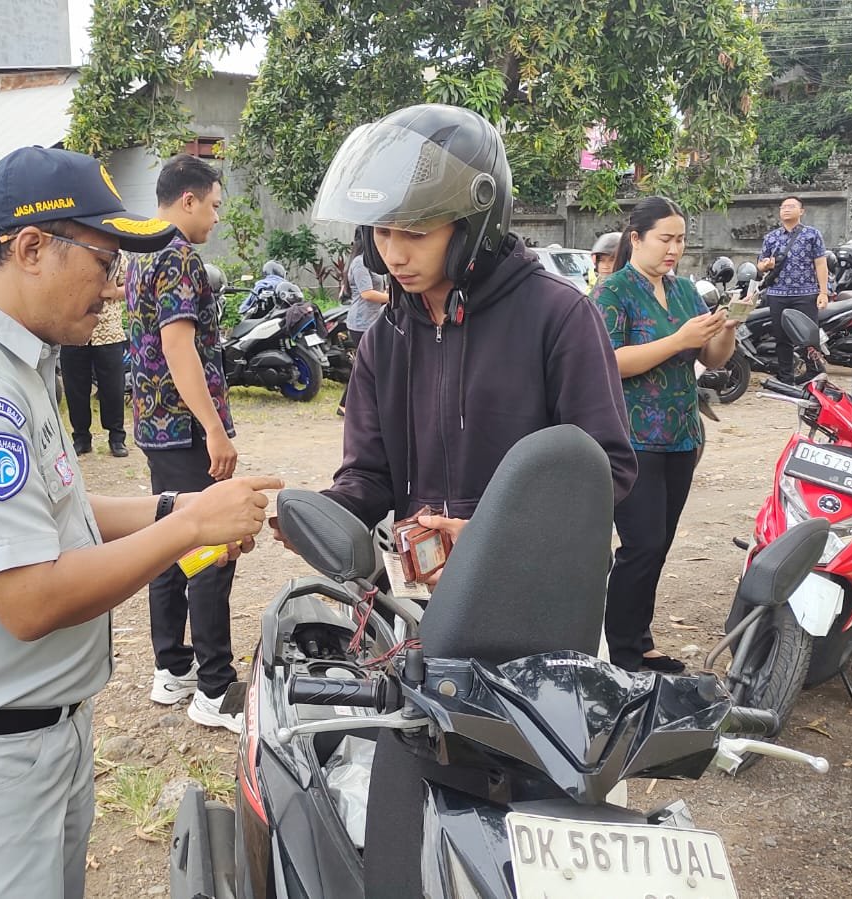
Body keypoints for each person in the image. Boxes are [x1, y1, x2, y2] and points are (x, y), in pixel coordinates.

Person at [0, 145, 278, 899]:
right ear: (30, 247)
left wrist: (172, 507)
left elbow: (60, 510)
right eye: (104, 262)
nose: (114, 289)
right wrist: (185, 530)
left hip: (27, 739)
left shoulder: (9, 360)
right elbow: (30, 597)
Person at [301, 102, 634, 899]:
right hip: (430, 604)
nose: (393, 253)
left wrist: (488, 527)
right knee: (441, 786)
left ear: (475, 222)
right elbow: (369, 475)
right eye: (381, 234)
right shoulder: (387, 337)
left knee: (563, 794)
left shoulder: (561, 317)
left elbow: (607, 467)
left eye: (414, 233)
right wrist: (316, 512)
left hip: (543, 600)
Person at [125, 154, 243, 732]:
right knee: (209, 547)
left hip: (154, 425)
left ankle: (172, 669)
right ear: (189, 199)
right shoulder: (177, 256)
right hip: (187, 429)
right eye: (215, 205)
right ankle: (216, 688)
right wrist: (214, 427)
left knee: (168, 541)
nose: (217, 218)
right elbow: (178, 347)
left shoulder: (139, 254)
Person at [594, 198, 735, 675]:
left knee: (661, 542)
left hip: (680, 435)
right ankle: (623, 651)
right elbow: (609, 361)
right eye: (665, 239)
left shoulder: (681, 292)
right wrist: (679, 339)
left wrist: (725, 330)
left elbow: (712, 360)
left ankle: (640, 639)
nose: (674, 249)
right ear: (636, 238)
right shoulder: (613, 292)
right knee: (642, 544)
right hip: (632, 437)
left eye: (680, 240)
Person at [61, 252, 130, 457]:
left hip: (108, 332)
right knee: (75, 388)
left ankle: (117, 438)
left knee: (113, 388)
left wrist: (113, 292)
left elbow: (131, 288)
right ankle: (81, 438)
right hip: (73, 331)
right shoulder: (67, 254)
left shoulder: (118, 257)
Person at [756, 196, 829, 382]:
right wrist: (765, 266)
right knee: (781, 338)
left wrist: (823, 292)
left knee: (809, 336)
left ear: (801, 211)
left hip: (806, 293)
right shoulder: (771, 237)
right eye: (783, 207)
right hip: (777, 294)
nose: (786, 210)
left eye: (791, 206)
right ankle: (786, 377)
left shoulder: (812, 234)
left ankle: (814, 374)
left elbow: (820, 264)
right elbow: (760, 264)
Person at [337, 236, 388, 415]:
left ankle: (348, 405)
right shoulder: (360, 263)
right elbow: (367, 294)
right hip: (361, 322)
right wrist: (393, 298)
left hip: (373, 319)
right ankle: (348, 405)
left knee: (368, 363)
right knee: (368, 363)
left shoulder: (373, 261)